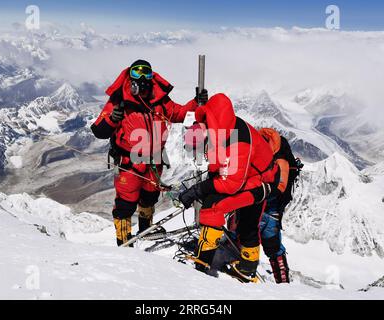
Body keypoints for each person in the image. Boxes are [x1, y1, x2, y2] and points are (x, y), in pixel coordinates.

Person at [91, 59, 208, 246]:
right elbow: (99, 131)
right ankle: (123, 241)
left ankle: (145, 231)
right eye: (137, 73)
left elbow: (178, 114)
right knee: (125, 204)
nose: (143, 77)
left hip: (155, 160)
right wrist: (113, 119)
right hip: (130, 161)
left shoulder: (159, 100)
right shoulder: (119, 100)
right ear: (130, 77)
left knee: (149, 197)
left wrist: (196, 102)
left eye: (146, 73)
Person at [179, 93, 279, 283]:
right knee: (248, 223)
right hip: (254, 177)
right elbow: (221, 163)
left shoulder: (237, 141)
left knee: (213, 206)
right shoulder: (223, 128)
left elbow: (232, 184)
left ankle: (202, 262)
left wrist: (199, 190)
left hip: (260, 183)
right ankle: (247, 268)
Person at [258, 128, 302, 283]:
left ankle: (282, 283)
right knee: (273, 245)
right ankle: (282, 281)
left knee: (250, 237)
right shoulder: (277, 152)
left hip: (269, 206)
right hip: (272, 208)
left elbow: (279, 188)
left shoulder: (280, 160)